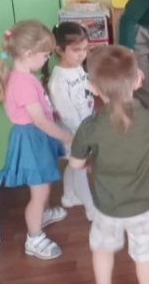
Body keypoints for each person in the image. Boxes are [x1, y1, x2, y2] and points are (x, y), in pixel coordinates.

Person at [69, 45, 149, 284]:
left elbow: (75, 164)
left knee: (103, 251)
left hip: (106, 206)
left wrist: (89, 164)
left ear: (92, 88)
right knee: (145, 256)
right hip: (146, 204)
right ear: (138, 80)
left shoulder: (89, 127)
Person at [0, 20, 73, 260]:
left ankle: (43, 214)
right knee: (39, 192)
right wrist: (67, 137)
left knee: (44, 181)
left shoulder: (23, 76)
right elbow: (39, 121)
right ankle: (34, 238)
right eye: (45, 55)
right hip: (31, 139)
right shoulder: (22, 83)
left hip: (35, 137)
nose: (47, 59)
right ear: (28, 54)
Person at [47, 22, 95, 220]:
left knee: (72, 164)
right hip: (73, 135)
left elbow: (86, 88)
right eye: (76, 50)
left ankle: (68, 197)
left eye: (84, 49)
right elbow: (66, 114)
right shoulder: (58, 80)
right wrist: (83, 135)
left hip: (84, 128)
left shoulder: (77, 68)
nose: (81, 54)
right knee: (80, 168)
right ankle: (91, 210)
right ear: (59, 49)